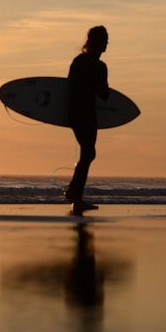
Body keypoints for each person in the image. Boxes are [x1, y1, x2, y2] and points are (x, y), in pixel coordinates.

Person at [64, 25, 109, 214]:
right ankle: (74, 193)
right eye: (104, 40)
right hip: (87, 113)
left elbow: (69, 86)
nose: (106, 44)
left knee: (88, 153)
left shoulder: (78, 61)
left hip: (74, 112)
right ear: (97, 43)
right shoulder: (99, 66)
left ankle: (75, 194)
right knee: (88, 153)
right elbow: (104, 94)